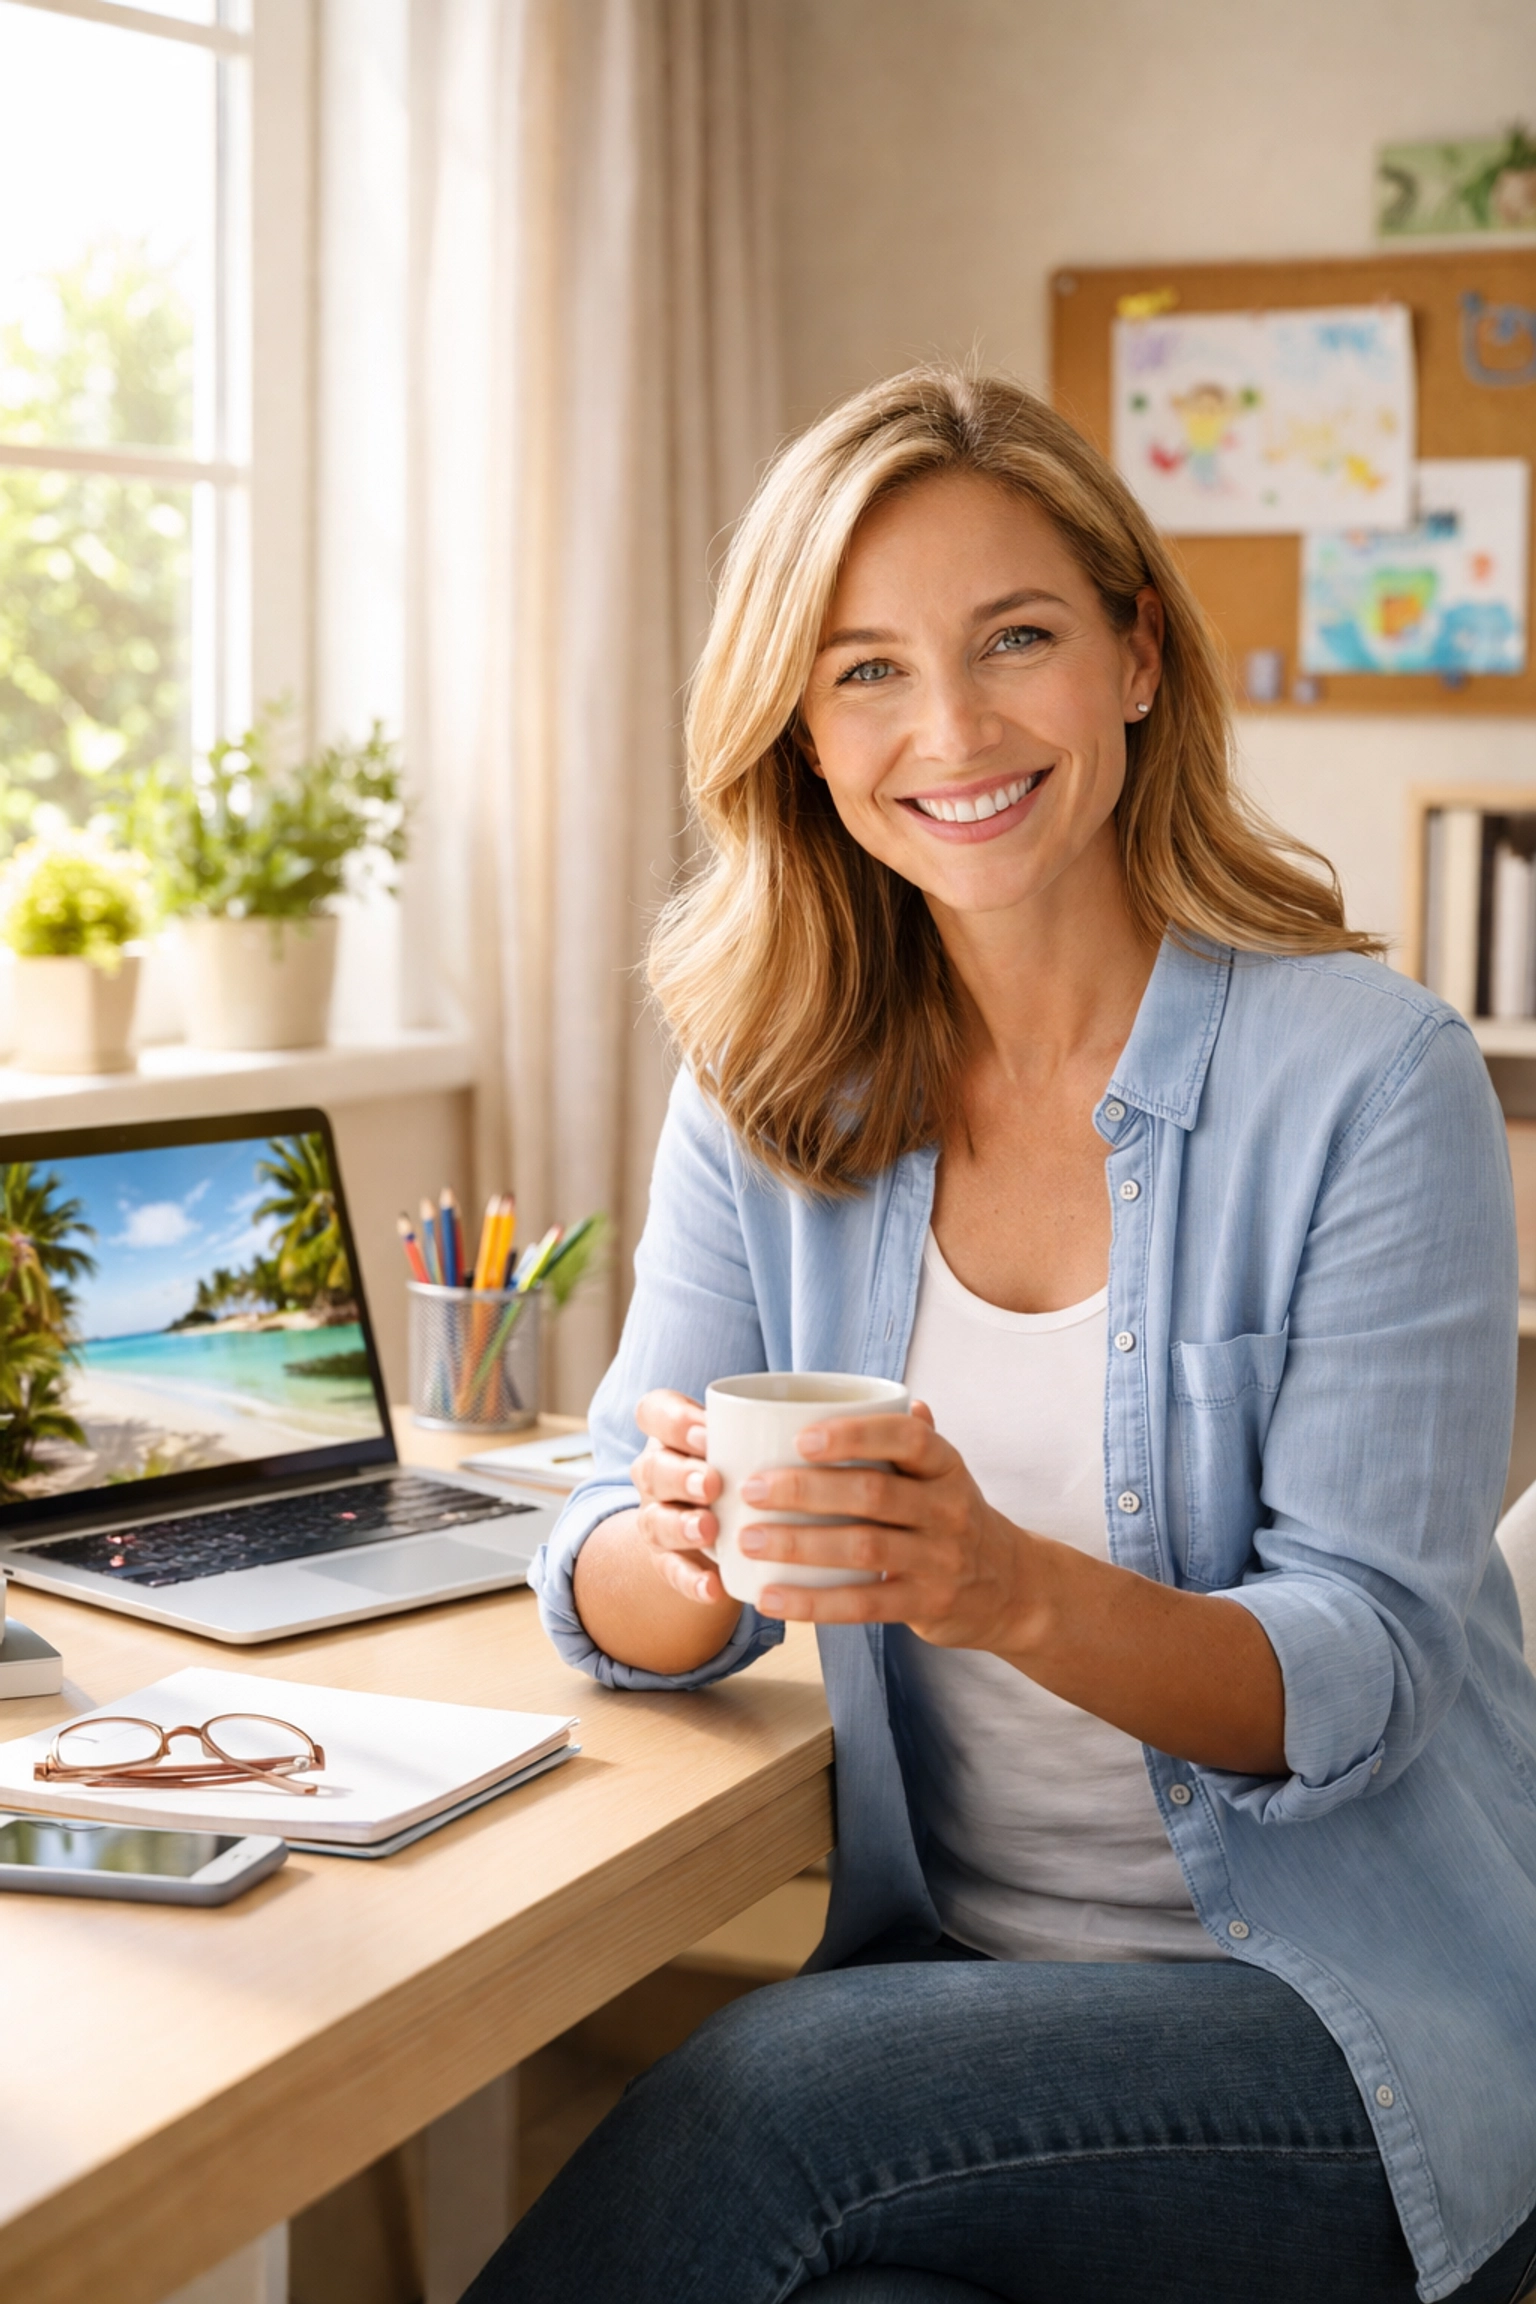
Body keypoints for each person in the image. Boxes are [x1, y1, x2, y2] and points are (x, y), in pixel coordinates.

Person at [465, 367, 1536, 2304]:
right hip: (966, 1997)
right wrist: (684, 1547)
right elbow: (604, 1556)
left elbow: (1367, 1667)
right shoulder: (772, 1083)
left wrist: (995, 1584)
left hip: (1350, 2026)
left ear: (1135, 654)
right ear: (796, 726)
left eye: (1012, 641)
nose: (947, 730)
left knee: (755, 2111)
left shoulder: (1375, 1082)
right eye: (864, 669)